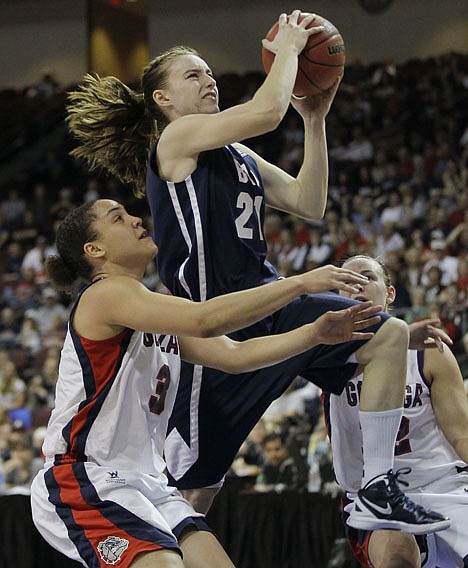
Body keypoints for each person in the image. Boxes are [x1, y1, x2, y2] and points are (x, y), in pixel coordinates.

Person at [65, 10, 450, 532]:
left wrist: (314, 120)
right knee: (189, 497)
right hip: (214, 331)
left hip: (270, 303)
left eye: (209, 72)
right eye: (193, 74)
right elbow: (268, 112)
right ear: (163, 100)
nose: (209, 80)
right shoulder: (175, 143)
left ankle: (376, 488)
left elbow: (309, 200)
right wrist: (289, 47)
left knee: (386, 335)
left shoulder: (237, 155)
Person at [30, 198, 385, 568]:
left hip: (146, 481)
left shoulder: (149, 308)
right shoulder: (104, 294)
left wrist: (312, 334)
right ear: (95, 250)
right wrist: (298, 284)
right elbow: (206, 319)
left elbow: (235, 355)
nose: (136, 219)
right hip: (83, 477)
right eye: (117, 218)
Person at [324, 254, 468, 567]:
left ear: (390, 294)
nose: (358, 285)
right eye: (348, 282)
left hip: (443, 485)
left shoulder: (428, 354)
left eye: (368, 277)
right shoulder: (321, 354)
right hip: (373, 497)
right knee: (397, 557)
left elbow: (462, 436)